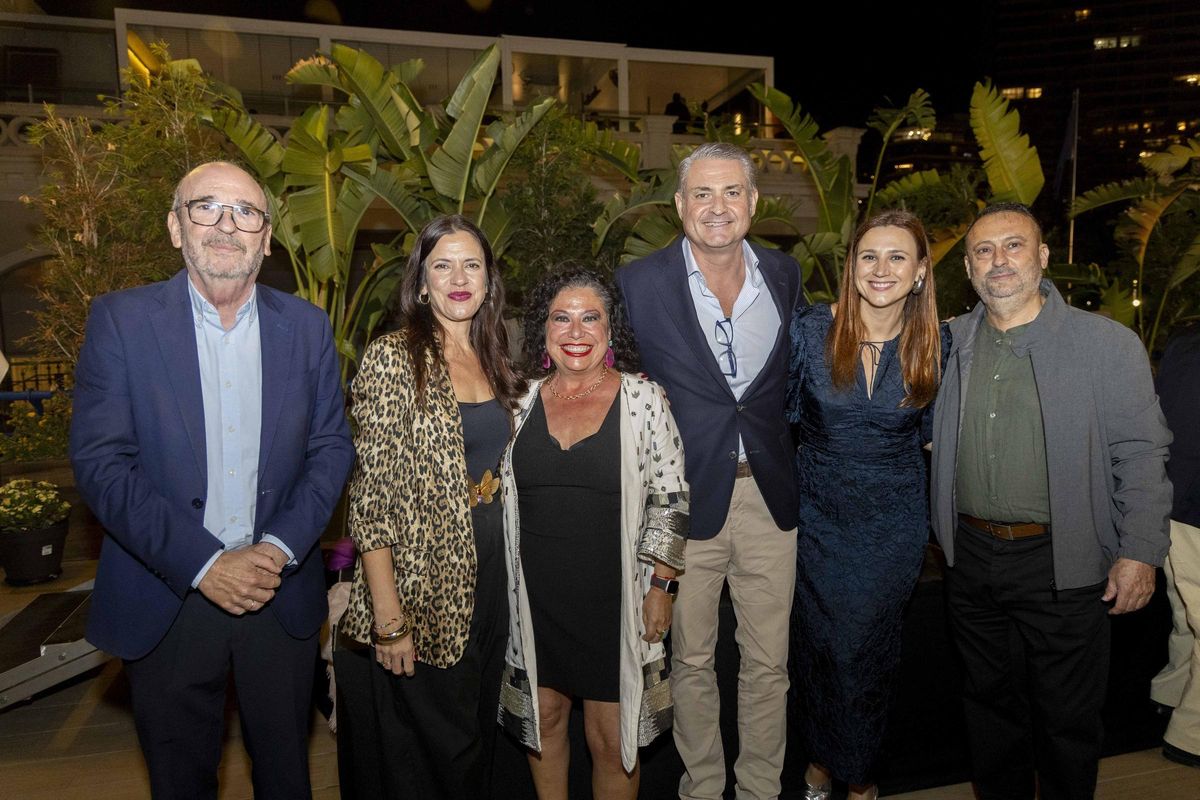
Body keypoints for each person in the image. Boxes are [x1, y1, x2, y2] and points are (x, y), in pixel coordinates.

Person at [70, 161, 355, 799]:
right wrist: (205, 563)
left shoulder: (306, 328)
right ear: (176, 227)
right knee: (180, 782)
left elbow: (332, 449)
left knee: (286, 779)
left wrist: (277, 550)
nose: (227, 225)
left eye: (246, 213)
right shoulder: (122, 322)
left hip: (277, 595)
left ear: (267, 240)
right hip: (166, 595)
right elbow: (101, 461)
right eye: (207, 208)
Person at [929, 202, 1172, 800]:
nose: (999, 261)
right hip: (971, 559)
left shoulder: (1106, 344)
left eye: (1014, 246)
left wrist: (1140, 550)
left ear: (1041, 256)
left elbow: (1141, 452)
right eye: (983, 250)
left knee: (1067, 721)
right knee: (988, 713)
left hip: (1064, 562)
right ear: (967, 266)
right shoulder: (946, 343)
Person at [615, 142, 805, 800]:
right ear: (678, 206)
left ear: (753, 202)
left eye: (731, 193)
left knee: (769, 664)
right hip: (685, 502)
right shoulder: (638, 284)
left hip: (771, 500)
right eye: (702, 194)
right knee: (691, 660)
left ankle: (757, 792)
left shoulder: (784, 275)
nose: (717, 208)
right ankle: (702, 789)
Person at [334, 215, 524, 800]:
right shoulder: (395, 357)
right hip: (422, 591)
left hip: (493, 584)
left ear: (490, 282)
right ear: (421, 283)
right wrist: (390, 620)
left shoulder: (497, 358)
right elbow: (371, 502)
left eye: (473, 265)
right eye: (443, 265)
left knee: (476, 744)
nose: (459, 278)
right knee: (431, 759)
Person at [496, 266, 688, 800]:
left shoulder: (643, 401)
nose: (575, 331)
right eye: (562, 318)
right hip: (534, 602)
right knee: (546, 723)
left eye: (590, 318)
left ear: (610, 329)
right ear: (544, 329)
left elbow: (670, 501)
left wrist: (661, 586)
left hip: (616, 602)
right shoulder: (516, 402)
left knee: (611, 741)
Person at [787, 210, 948, 800]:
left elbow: (934, 434)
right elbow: (780, 417)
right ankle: (823, 762)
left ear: (921, 272)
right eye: (869, 256)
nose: (881, 269)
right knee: (819, 648)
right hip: (817, 519)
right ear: (851, 267)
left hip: (891, 527)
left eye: (897, 257)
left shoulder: (938, 342)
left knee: (864, 653)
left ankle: (857, 777)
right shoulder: (809, 330)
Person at [1148, 325, 1200, 768]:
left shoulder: (1185, 341)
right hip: (1194, 503)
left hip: (1172, 499)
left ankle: (1169, 692)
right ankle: (1192, 734)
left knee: (1188, 614)